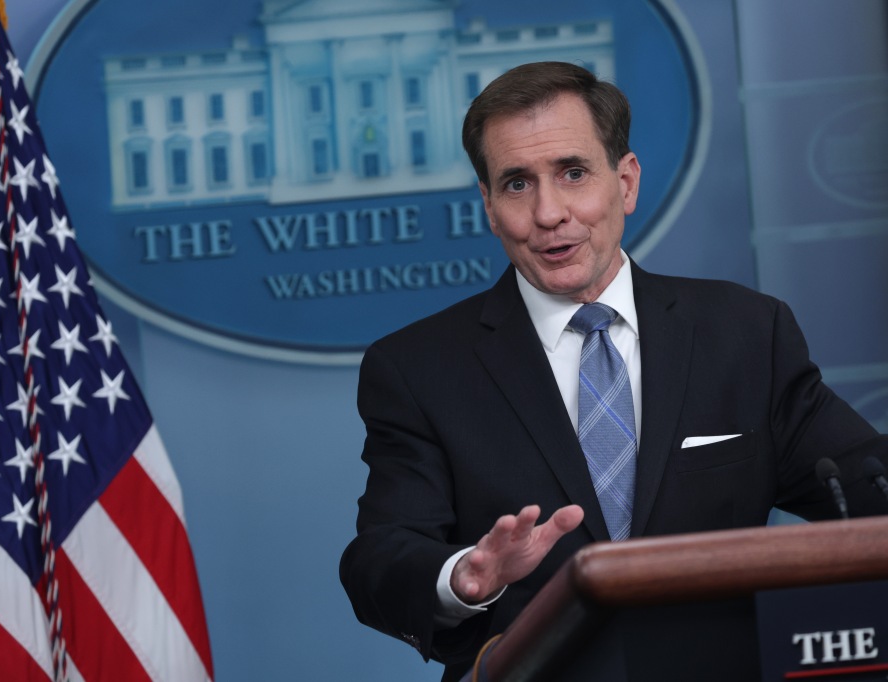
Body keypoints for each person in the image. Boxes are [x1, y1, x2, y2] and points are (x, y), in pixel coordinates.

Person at [339, 61, 888, 682]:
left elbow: (865, 485)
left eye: (573, 173)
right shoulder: (418, 368)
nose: (549, 213)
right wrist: (463, 575)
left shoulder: (743, 331)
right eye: (517, 184)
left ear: (625, 182)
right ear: (489, 208)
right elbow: (379, 559)